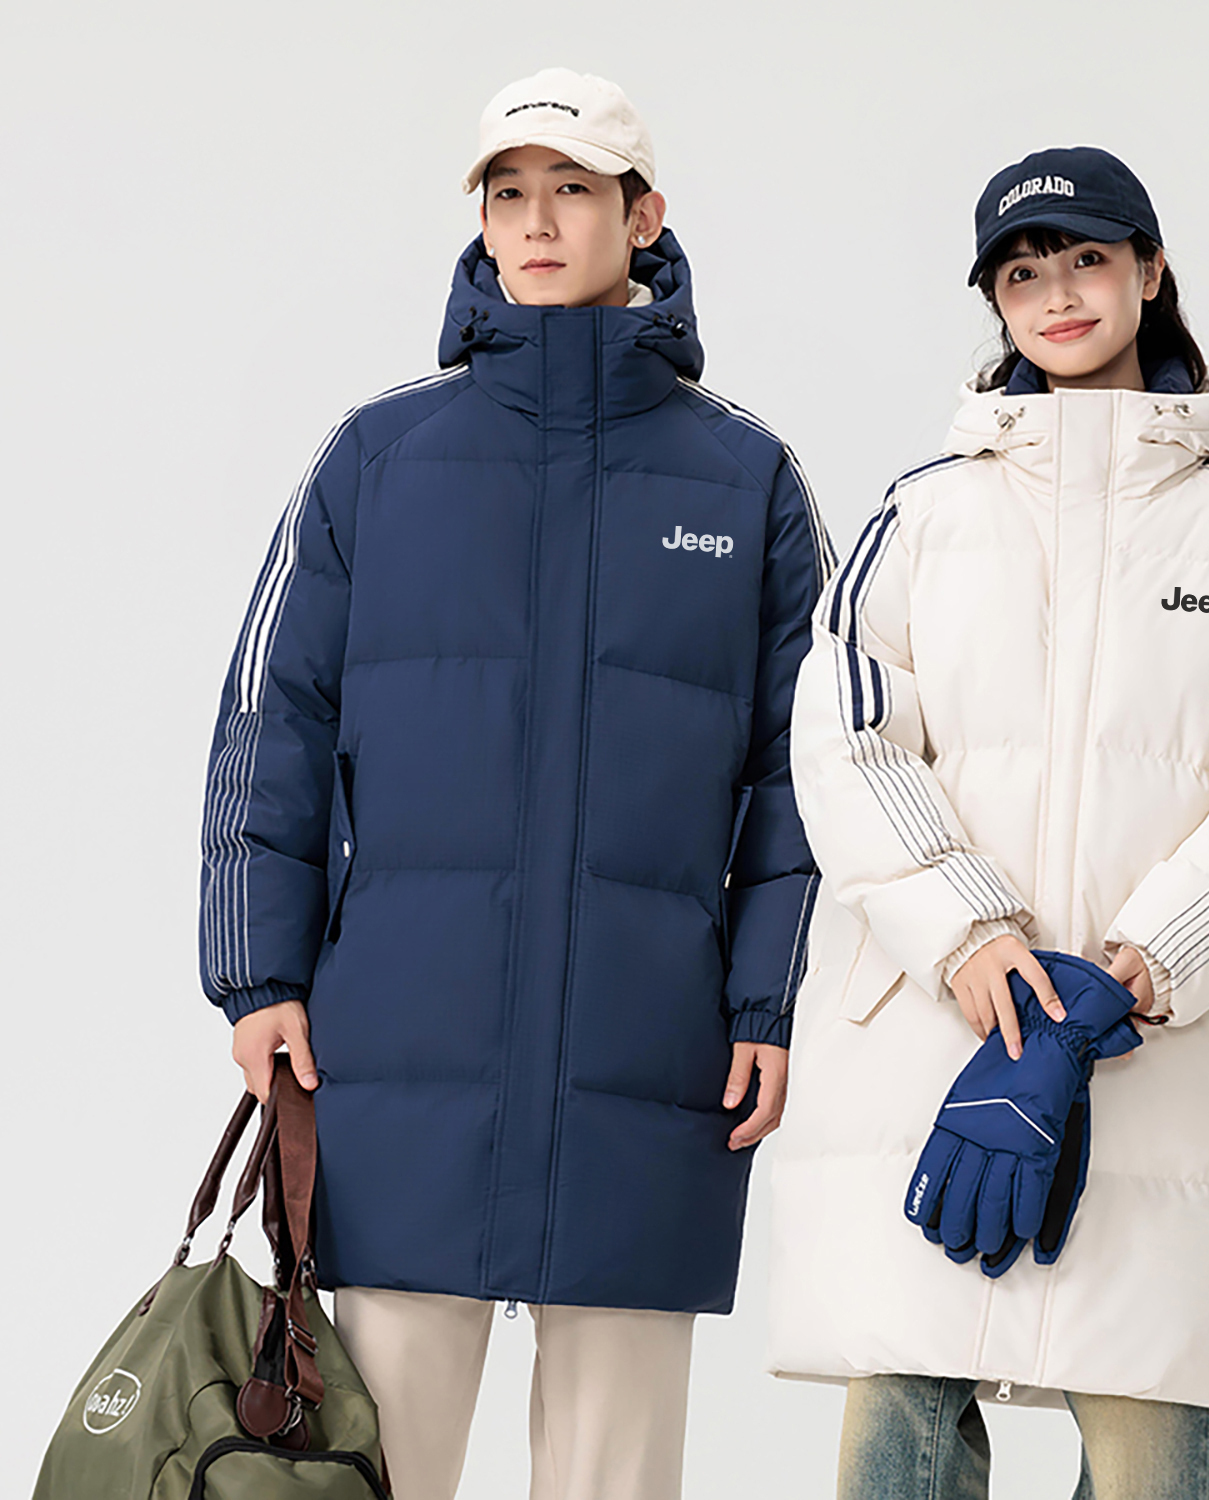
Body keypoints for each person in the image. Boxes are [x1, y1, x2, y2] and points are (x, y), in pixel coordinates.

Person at [199, 67, 831, 1500]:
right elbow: (269, 723)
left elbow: (804, 776)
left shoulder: (746, 481)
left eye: (572, 191)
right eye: (508, 194)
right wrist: (257, 976)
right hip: (400, 1049)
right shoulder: (380, 457)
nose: (535, 223)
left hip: (651, 1053)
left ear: (643, 215)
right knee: (380, 1468)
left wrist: (764, 1002)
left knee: (616, 1478)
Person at [768, 146, 1209, 1499]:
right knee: (899, 1439)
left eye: (1088, 259)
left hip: (1169, 1064)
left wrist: (1137, 966)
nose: (1057, 295)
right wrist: (972, 936)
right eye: (1022, 273)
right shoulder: (921, 516)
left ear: (1150, 273)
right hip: (939, 1043)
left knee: (1151, 1457)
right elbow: (848, 739)